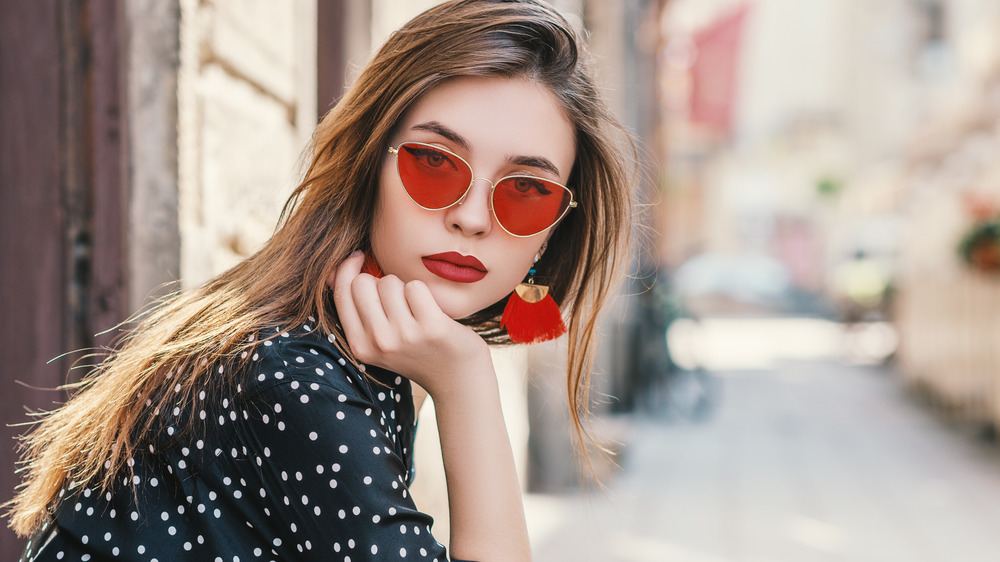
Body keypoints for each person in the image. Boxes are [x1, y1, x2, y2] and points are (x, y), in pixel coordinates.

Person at [6, 0, 633, 560]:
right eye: (435, 163)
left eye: (526, 190)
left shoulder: (344, 342)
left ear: (554, 228)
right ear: (368, 164)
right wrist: (467, 381)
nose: (469, 218)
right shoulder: (294, 372)